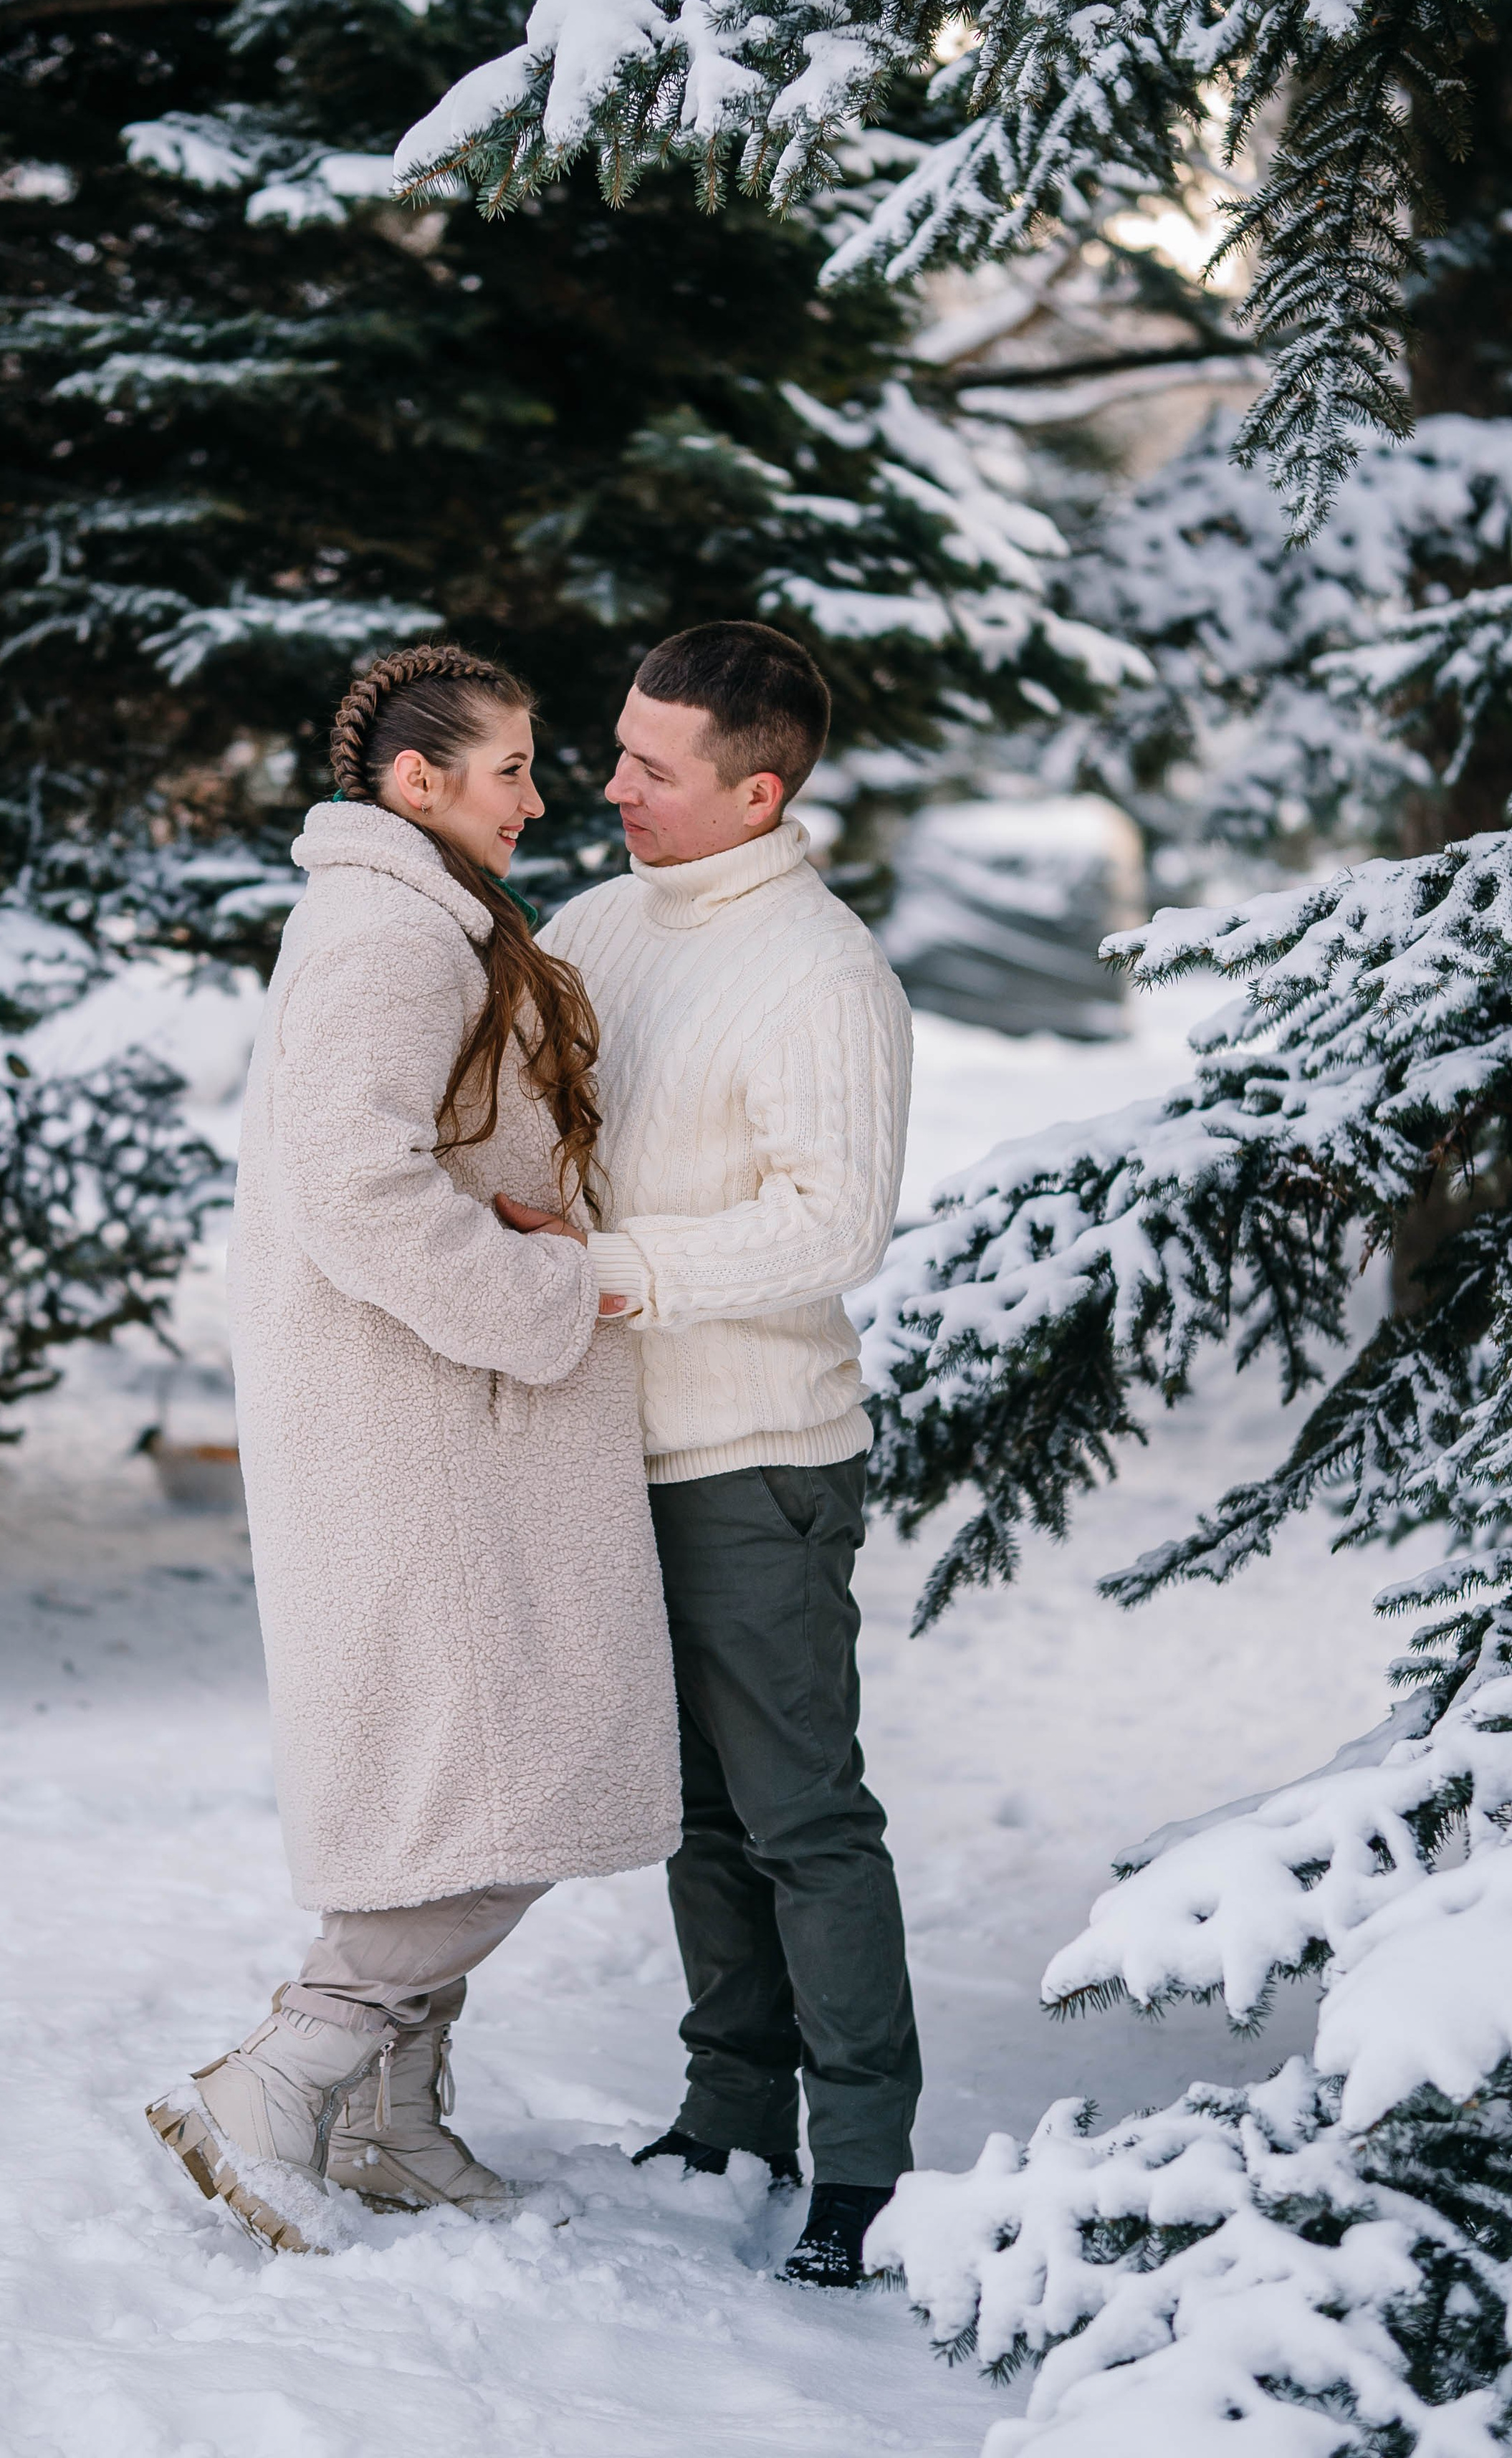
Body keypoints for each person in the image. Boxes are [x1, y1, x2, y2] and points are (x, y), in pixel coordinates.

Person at [146, 644, 680, 2254]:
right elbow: (353, 1185)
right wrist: (542, 1286)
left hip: (446, 1419)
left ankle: (388, 2121)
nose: (540, 795)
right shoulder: (390, 932)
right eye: (510, 768)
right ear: (415, 783)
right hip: (433, 1423)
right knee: (508, 1785)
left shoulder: (417, 917)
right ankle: (286, 2073)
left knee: (459, 1781)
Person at [500, 620, 918, 2289]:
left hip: (754, 1458)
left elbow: (833, 1225)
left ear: (756, 794)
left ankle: (862, 2169)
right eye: (616, 752)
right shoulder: (598, 926)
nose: (613, 789)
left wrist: (616, 1269)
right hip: (609, 1448)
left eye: (652, 770)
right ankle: (731, 2113)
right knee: (693, 1816)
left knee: (799, 1816)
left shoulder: (821, 974)